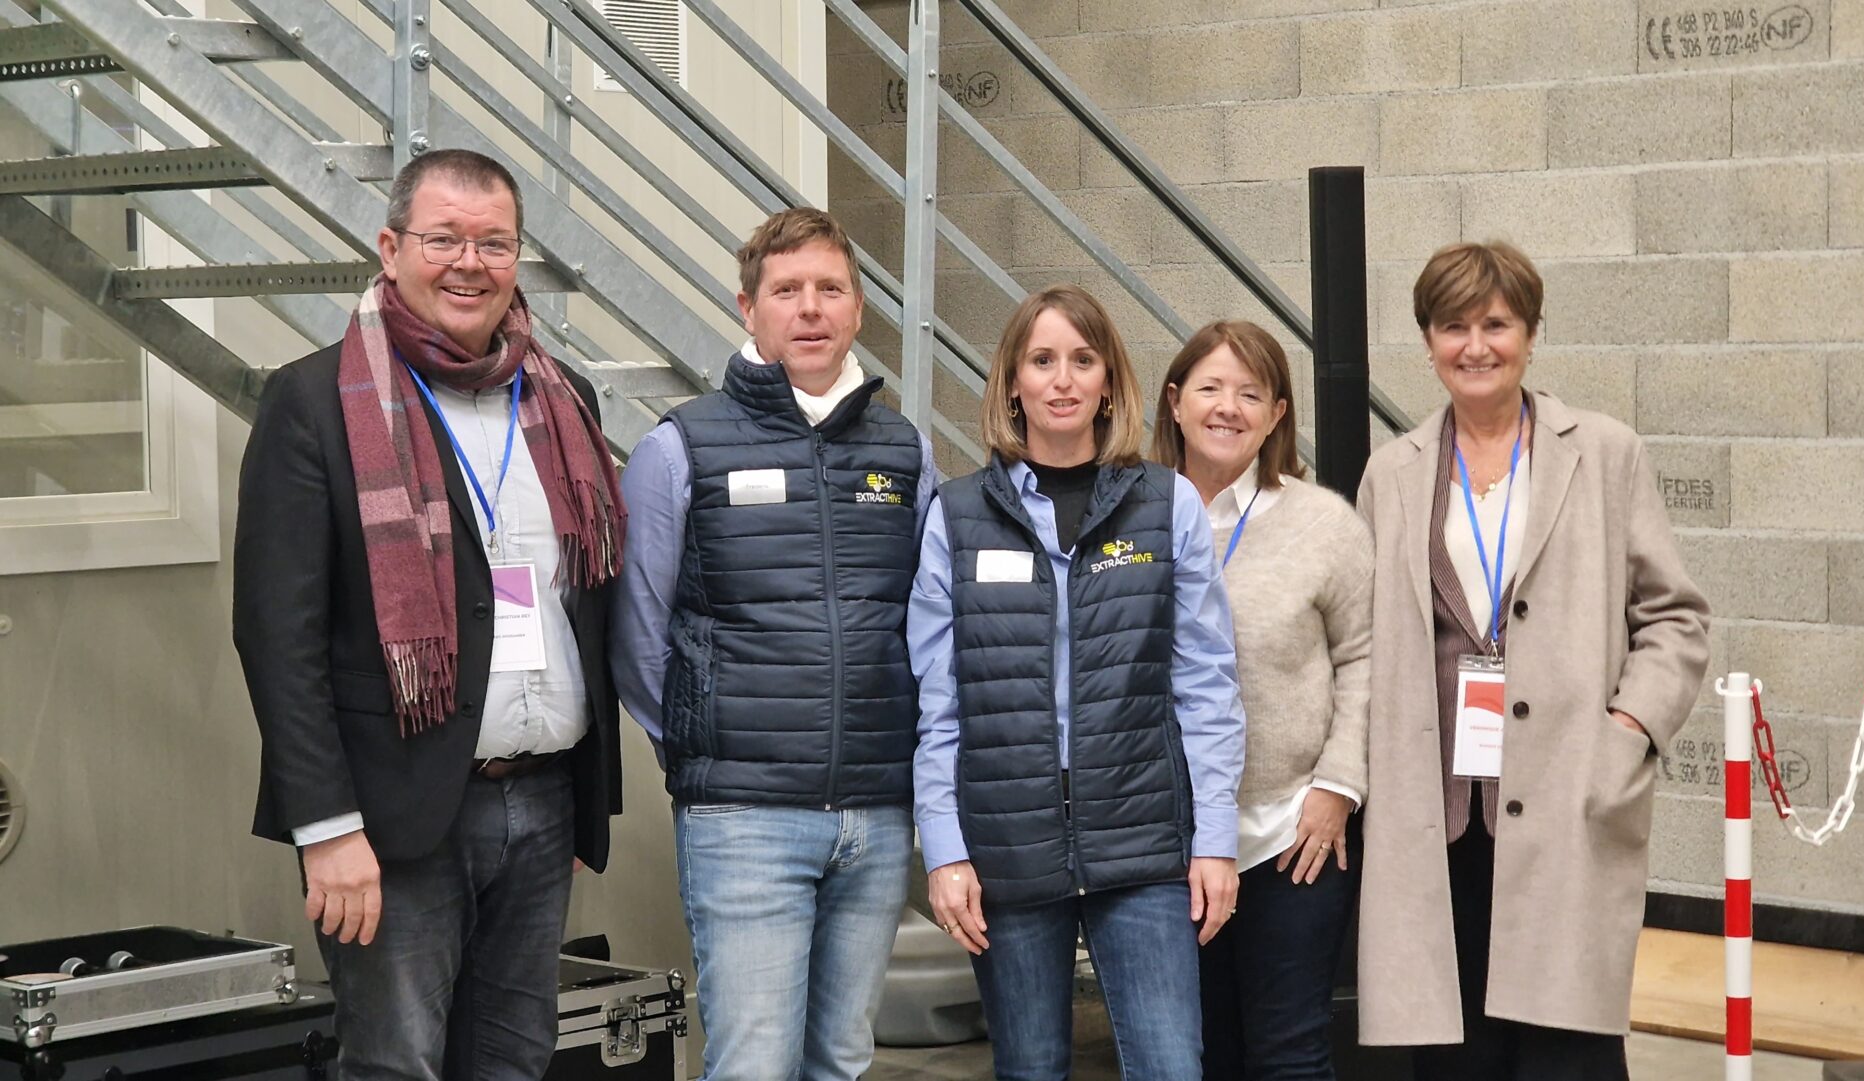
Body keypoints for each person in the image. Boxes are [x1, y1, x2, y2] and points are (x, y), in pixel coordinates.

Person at [233, 148, 628, 1080]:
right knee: (395, 1063)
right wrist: (325, 829)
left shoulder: (565, 397)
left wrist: (576, 803)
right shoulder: (314, 401)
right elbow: (276, 637)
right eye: (444, 237)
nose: (469, 262)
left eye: (495, 243)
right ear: (390, 246)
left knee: (515, 1058)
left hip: (540, 802)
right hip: (391, 814)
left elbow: (585, 605)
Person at [1354, 241, 1710, 1080]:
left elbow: (1676, 618)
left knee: (1568, 1056)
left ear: (1531, 332)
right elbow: (1363, 640)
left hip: (1566, 804)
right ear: (1428, 340)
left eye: (1495, 324)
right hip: (1434, 820)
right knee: (1454, 1056)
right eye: (1453, 327)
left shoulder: (1605, 453)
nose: (1475, 346)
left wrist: (1624, 733)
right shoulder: (1391, 474)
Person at [611, 207, 937, 1081]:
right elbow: (639, 634)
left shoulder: (905, 452)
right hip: (744, 821)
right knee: (754, 1062)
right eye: (786, 290)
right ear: (747, 308)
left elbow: (928, 622)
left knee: (841, 1059)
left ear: (859, 309)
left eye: (830, 288)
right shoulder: (681, 448)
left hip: (874, 817)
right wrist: (700, 741)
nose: (810, 308)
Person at [912, 283, 1245, 1081]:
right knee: (1029, 1070)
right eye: (1043, 359)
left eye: (1083, 360)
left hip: (1144, 846)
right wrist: (944, 849)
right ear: (1014, 382)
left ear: (1108, 383)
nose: (1063, 379)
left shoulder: (1167, 506)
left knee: (1170, 1065)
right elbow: (939, 703)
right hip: (1006, 847)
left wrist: (1216, 841)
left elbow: (1206, 684)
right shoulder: (955, 517)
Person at [1154, 320, 1372, 1081]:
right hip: (1164, 836)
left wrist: (1338, 787)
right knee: (1197, 1049)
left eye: (1251, 393)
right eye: (1210, 388)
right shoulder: (1133, 514)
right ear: (1175, 402)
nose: (1228, 407)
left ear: (1278, 413)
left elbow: (1366, 656)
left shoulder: (1324, 523)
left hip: (1294, 833)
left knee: (1289, 1049)